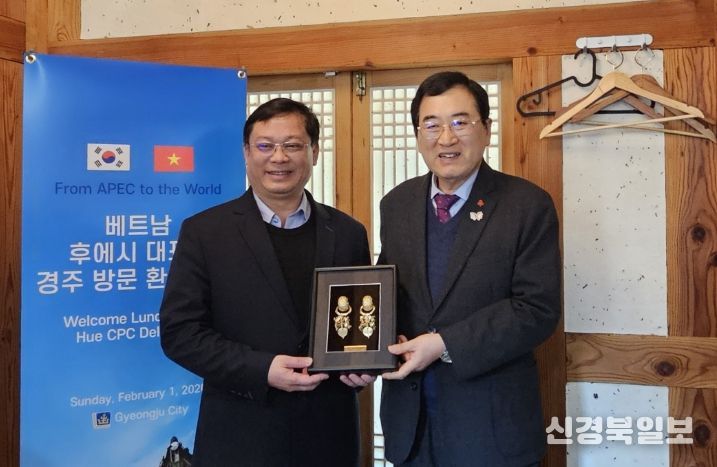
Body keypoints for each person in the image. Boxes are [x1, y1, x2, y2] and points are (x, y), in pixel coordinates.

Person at [160, 97, 374, 467]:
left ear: (314, 152)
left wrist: (365, 363)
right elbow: (180, 333)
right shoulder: (205, 232)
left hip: (329, 435)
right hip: (241, 435)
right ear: (246, 153)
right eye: (265, 146)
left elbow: (359, 322)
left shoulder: (347, 232)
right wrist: (262, 369)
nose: (279, 157)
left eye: (292, 145)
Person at [377, 71, 561, 467]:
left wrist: (443, 343)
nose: (446, 138)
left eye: (460, 122)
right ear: (417, 134)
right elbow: (386, 292)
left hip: (491, 432)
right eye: (432, 125)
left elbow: (537, 309)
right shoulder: (396, 204)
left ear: (487, 129)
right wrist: (367, 349)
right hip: (410, 428)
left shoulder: (526, 205)